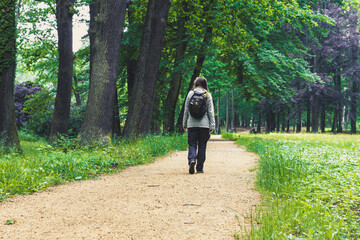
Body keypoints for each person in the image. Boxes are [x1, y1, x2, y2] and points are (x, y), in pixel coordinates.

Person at [183, 77, 215, 174]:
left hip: (192, 124)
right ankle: (199, 168)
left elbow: (186, 110)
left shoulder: (191, 93)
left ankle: (192, 160)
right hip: (204, 125)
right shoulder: (207, 95)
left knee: (192, 144)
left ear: (195, 84)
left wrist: (184, 123)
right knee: (202, 145)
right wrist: (212, 125)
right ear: (205, 84)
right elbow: (210, 111)